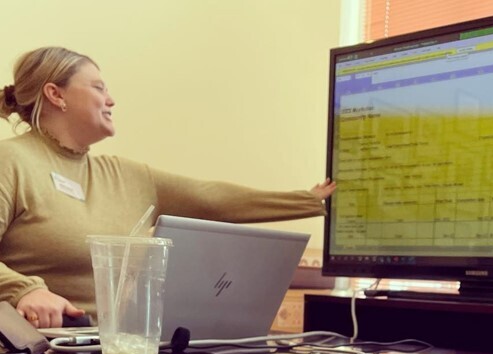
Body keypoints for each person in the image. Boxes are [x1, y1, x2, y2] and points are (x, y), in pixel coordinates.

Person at [0, 46, 335, 328]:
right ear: (56, 94)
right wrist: (23, 290)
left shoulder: (128, 176)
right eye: (99, 88)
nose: (111, 100)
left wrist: (310, 201)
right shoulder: (11, 160)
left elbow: (212, 199)